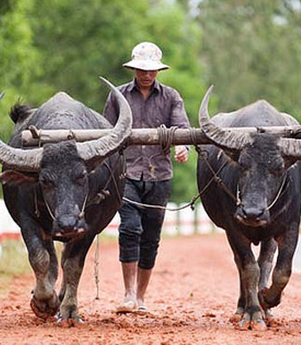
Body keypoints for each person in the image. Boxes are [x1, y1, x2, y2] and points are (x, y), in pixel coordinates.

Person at [103, 42, 190, 315]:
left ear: (158, 71)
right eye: (141, 69)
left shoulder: (172, 97)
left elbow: (182, 128)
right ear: (134, 68)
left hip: (159, 175)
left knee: (151, 236)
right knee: (130, 228)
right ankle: (128, 294)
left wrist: (182, 145)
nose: (146, 75)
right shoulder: (118, 96)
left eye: (151, 70)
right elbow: (106, 133)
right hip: (125, 173)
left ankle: (141, 297)